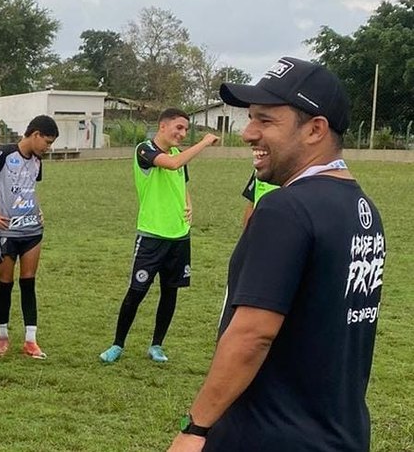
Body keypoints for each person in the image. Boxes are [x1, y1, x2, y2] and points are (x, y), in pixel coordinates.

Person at [168, 57, 385, 452]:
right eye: (250, 118)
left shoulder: (285, 209)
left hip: (270, 436)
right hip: (341, 434)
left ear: (315, 130)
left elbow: (253, 334)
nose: (249, 133)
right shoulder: (363, 209)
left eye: (266, 121)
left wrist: (195, 428)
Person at [100, 109, 219, 364]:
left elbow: (182, 180)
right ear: (162, 126)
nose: (183, 133)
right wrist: (204, 142)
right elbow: (173, 165)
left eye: (186, 129)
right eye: (179, 127)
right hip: (151, 235)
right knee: (136, 291)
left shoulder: (178, 154)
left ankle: (157, 345)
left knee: (170, 292)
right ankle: (117, 344)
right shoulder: (144, 149)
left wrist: (189, 204)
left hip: (179, 236)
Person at [0, 115, 58, 360]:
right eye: (47, 142)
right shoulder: (5, 154)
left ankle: (31, 340)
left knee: (28, 283)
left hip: (32, 230)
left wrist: (38, 209)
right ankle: (3, 335)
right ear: (35, 134)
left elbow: (29, 188)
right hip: (6, 231)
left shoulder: (37, 160)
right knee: (5, 284)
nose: (48, 148)